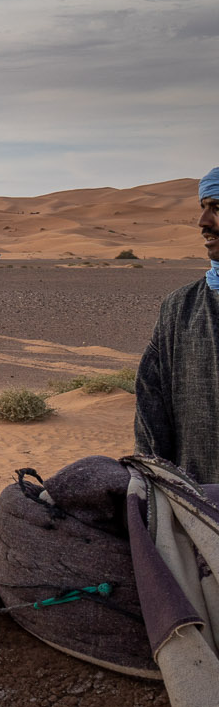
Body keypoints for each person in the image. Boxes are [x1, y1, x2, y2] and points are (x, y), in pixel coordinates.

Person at [135, 168, 219, 482]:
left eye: (217, 208)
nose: (204, 223)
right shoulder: (179, 309)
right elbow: (151, 415)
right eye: (203, 208)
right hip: (197, 517)